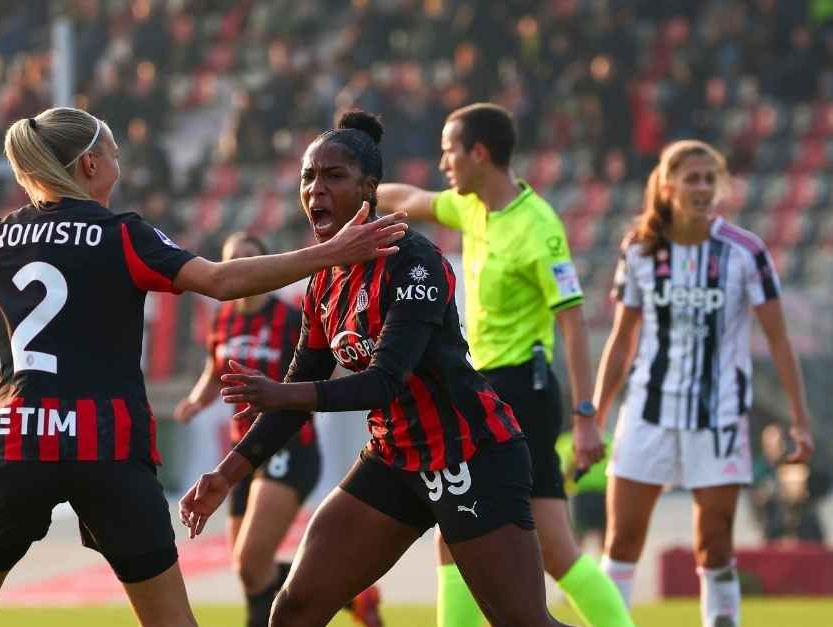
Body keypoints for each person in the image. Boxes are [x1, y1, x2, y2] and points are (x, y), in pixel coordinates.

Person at [0, 106, 406, 627]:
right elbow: (221, 282)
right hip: (107, 444)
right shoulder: (123, 236)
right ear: (90, 165)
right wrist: (329, 253)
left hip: (17, 437)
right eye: (113, 151)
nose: (119, 160)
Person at [179, 111, 574, 627]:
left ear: (370, 189)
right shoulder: (324, 280)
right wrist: (227, 474)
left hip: (469, 453)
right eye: (308, 178)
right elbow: (299, 385)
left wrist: (282, 394)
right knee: (295, 609)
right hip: (393, 459)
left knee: (523, 622)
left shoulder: (413, 260)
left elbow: (386, 380)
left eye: (333, 177)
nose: (316, 190)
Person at [377, 103, 632, 627]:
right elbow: (410, 199)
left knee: (480, 536)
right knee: (480, 536)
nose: (443, 162)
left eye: (450, 151)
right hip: (484, 387)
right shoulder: (472, 207)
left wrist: (585, 417)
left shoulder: (539, 227)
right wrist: (354, 185)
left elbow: (573, 322)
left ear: (479, 153)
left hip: (522, 389)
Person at [591, 139, 816, 627]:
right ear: (668, 186)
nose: (701, 187)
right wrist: (594, 416)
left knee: (714, 545)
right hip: (647, 415)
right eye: (691, 178)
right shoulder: (641, 249)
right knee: (623, 541)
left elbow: (779, 341)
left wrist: (800, 420)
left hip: (719, 419)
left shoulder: (745, 251)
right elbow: (622, 340)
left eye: (709, 179)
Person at [174, 231, 382, 627]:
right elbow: (213, 370)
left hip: (287, 446)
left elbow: (322, 364)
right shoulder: (223, 317)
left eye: (249, 259)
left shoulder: (288, 317)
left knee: (253, 558)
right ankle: (351, 595)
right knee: (250, 569)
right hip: (242, 453)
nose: (241, 267)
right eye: (233, 259)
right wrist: (198, 401)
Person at [555, 430, 612, 551]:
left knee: (577, 541)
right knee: (605, 541)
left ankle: (579, 566)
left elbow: (562, 474)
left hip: (580, 496)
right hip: (603, 495)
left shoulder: (567, 441)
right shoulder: (609, 441)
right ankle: (601, 567)